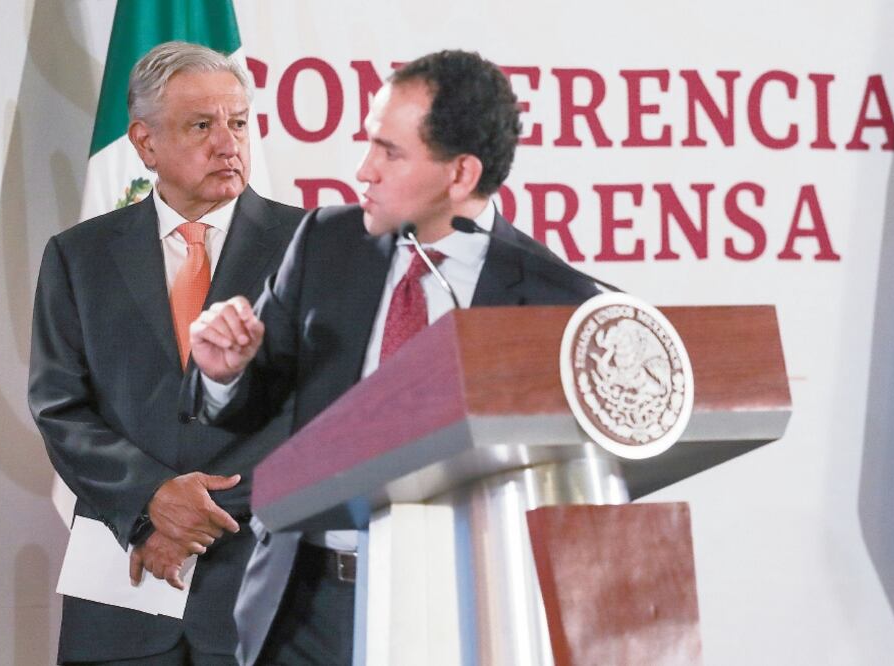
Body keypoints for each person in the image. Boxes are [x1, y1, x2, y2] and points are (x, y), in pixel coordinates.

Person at [185, 49, 600, 665]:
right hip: (306, 609)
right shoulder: (327, 242)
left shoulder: (555, 302)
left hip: (461, 611)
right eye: (368, 143)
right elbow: (247, 406)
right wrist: (224, 372)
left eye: (390, 151)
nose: (363, 169)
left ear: (460, 175)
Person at [28, 41, 301, 665]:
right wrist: (149, 503)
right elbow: (59, 406)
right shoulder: (79, 256)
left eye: (238, 122)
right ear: (145, 143)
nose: (227, 144)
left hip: (263, 592)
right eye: (201, 125)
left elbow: (325, 410)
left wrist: (196, 519)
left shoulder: (311, 246)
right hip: (122, 589)